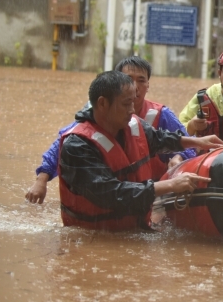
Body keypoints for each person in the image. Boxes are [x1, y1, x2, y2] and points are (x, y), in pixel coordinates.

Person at [58, 71, 223, 231]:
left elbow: (158, 139)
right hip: (94, 238)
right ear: (102, 103)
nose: (132, 110)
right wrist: (170, 185)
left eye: (133, 102)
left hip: (136, 228)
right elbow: (110, 194)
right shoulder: (77, 146)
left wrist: (197, 141)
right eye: (125, 104)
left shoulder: (132, 124)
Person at [25, 56, 196, 204]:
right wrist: (41, 181)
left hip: (156, 193)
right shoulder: (96, 117)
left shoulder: (162, 115)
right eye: (129, 79)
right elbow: (60, 147)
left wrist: (178, 157)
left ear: (148, 85)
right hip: (116, 195)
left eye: (141, 80)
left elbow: (189, 147)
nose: (135, 86)